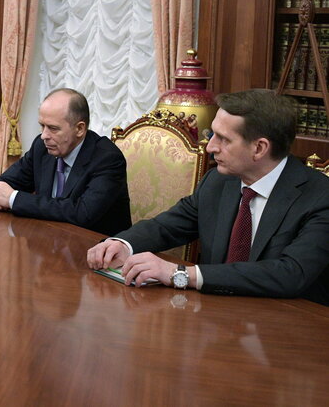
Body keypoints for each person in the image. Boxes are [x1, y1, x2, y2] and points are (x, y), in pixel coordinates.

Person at [87, 89, 329, 305]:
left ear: (259, 148)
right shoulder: (219, 181)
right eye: (211, 134)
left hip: (289, 328)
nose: (210, 147)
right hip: (215, 316)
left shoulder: (319, 197)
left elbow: (290, 273)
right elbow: (168, 226)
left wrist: (180, 274)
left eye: (223, 139)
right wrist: (122, 244)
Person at [0, 88, 132, 236]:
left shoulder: (107, 159)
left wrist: (13, 198)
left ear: (79, 129)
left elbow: (83, 214)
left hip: (96, 250)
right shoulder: (42, 148)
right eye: (42, 126)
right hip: (47, 241)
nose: (44, 136)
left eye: (53, 128)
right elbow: (0, 183)